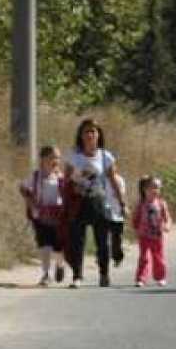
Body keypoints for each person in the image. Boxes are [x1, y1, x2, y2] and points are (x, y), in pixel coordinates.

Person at [63, 119, 127, 289]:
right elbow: (66, 178)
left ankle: (104, 274)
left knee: (102, 242)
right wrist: (72, 187)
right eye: (86, 132)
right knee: (77, 241)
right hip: (79, 203)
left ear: (99, 134)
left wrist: (121, 202)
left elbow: (113, 180)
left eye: (93, 131)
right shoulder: (74, 156)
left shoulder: (105, 156)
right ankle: (77, 275)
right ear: (81, 135)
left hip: (99, 201)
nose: (90, 135)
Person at [19, 146, 66, 286]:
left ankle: (60, 264)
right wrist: (31, 203)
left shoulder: (61, 177)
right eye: (52, 157)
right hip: (40, 216)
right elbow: (23, 188)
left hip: (58, 217)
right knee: (44, 245)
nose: (55, 160)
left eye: (57, 157)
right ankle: (46, 274)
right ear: (43, 159)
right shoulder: (35, 176)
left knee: (58, 247)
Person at [132, 176, 172, 287]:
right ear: (145, 189)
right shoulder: (141, 204)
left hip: (157, 235)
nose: (155, 190)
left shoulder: (161, 203)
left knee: (158, 257)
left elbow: (167, 217)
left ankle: (160, 277)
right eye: (152, 187)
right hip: (144, 235)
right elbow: (135, 218)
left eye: (157, 188)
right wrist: (135, 229)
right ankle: (141, 278)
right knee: (143, 257)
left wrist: (167, 225)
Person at [106, 173, 127, 268]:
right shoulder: (100, 179)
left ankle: (117, 257)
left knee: (116, 238)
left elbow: (121, 195)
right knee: (103, 237)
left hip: (116, 211)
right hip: (103, 212)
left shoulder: (119, 179)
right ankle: (102, 257)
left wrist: (123, 208)